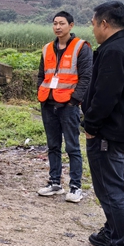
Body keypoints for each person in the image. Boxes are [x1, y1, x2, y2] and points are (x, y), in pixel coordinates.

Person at [82, 1, 124, 246]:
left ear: (104, 24)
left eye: (94, 23)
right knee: (110, 188)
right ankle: (112, 230)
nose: (93, 28)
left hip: (109, 134)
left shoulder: (114, 52)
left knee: (111, 191)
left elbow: (106, 96)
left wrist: (91, 126)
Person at [37, 11, 93, 203]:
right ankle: (54, 182)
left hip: (68, 106)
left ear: (71, 25)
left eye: (61, 23)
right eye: (55, 23)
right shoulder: (47, 49)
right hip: (48, 104)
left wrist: (74, 100)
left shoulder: (80, 47)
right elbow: (41, 74)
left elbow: (86, 77)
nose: (58, 27)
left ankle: (75, 186)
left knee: (72, 147)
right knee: (53, 145)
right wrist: (41, 94)